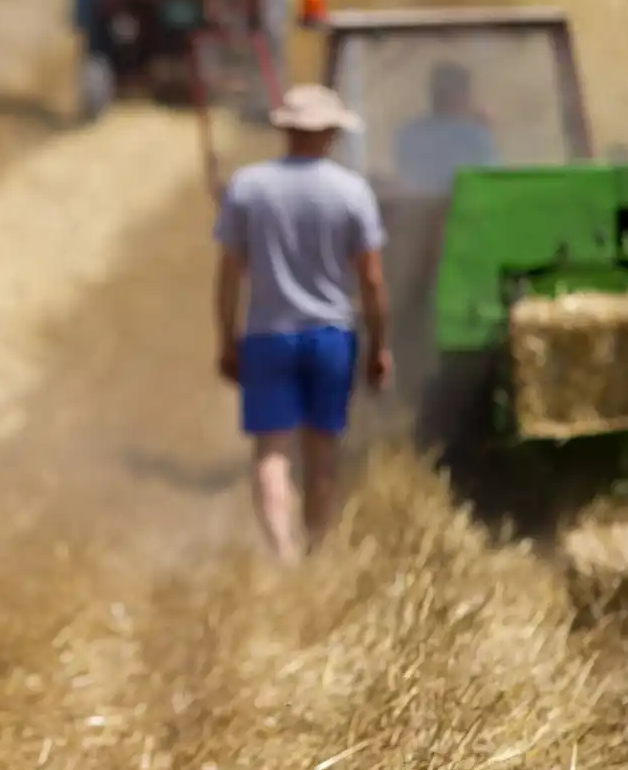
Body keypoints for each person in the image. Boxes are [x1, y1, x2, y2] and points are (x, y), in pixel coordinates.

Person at [211, 84, 392, 563]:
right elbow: (371, 279)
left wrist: (227, 340)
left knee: (271, 454)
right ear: (331, 133)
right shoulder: (352, 191)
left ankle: (283, 554)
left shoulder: (247, 187)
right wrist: (380, 345)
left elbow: (229, 275)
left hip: (268, 335)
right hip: (332, 336)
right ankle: (316, 550)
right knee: (322, 454)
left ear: (287, 130)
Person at [394, 61, 500, 192]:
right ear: (463, 95)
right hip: (463, 208)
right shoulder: (474, 137)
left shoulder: (409, 133)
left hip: (418, 209)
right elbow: (491, 182)